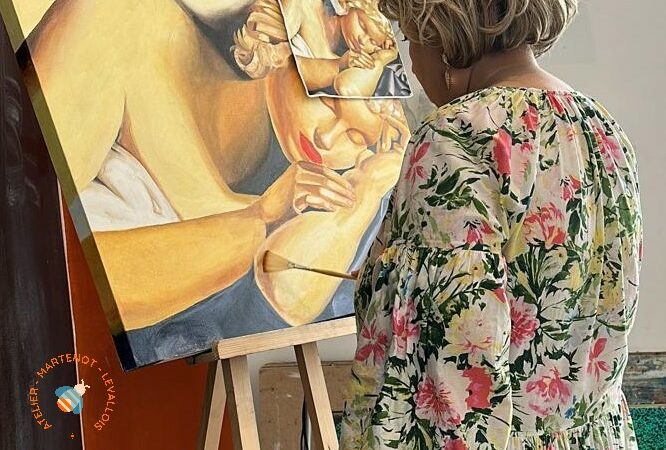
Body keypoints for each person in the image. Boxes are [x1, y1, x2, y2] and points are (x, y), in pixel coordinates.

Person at [339, 0, 643, 449]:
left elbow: (455, 362)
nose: (411, 63)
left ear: (439, 31)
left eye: (408, 36)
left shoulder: (457, 135)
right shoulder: (602, 130)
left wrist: (387, 289)